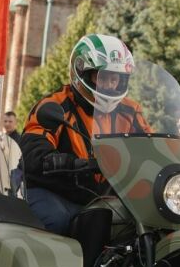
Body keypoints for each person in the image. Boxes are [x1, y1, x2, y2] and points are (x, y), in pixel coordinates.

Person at [20, 34, 151, 235]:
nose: (110, 85)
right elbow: (32, 148)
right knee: (57, 221)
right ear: (82, 73)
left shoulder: (130, 111)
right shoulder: (56, 105)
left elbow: (150, 143)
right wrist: (65, 162)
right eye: (103, 78)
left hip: (104, 196)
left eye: (115, 79)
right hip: (55, 191)